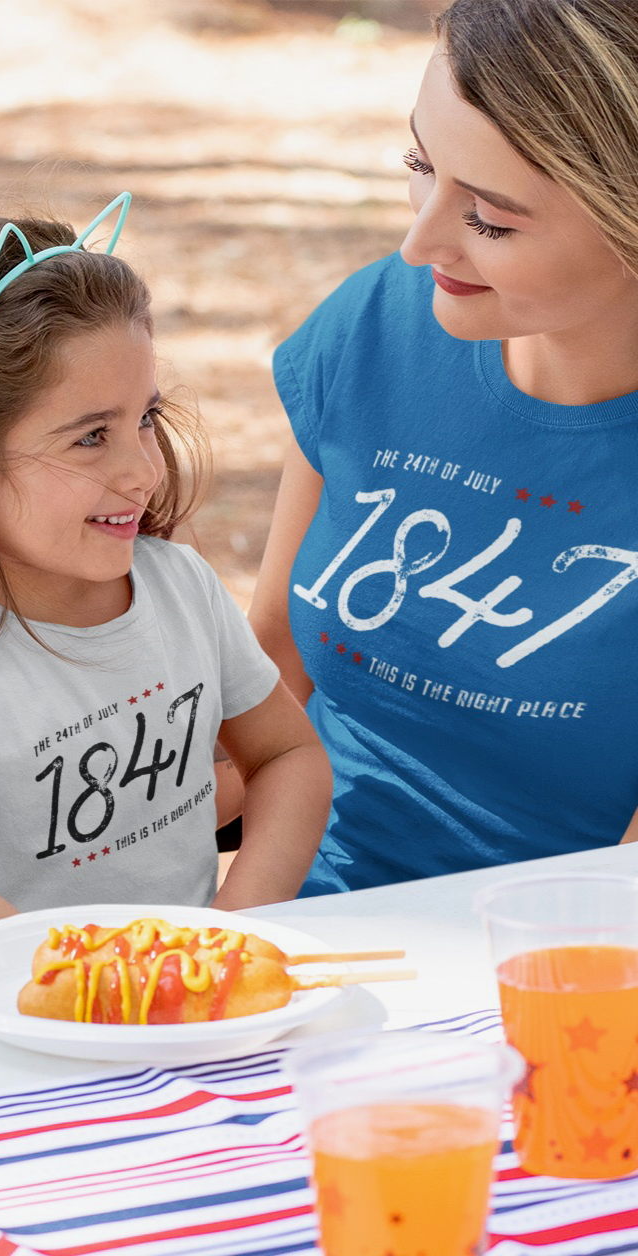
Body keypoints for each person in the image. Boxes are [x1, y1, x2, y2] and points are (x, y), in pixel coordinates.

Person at [0, 194, 331, 927]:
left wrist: (230, 931)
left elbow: (288, 758)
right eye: (90, 437)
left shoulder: (181, 587)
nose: (144, 470)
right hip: (28, 1001)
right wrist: (108, 979)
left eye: (146, 418)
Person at [248, 0, 638, 896]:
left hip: (556, 949)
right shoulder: (376, 324)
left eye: (490, 219)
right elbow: (270, 675)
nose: (418, 243)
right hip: (294, 920)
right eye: (420, 167)